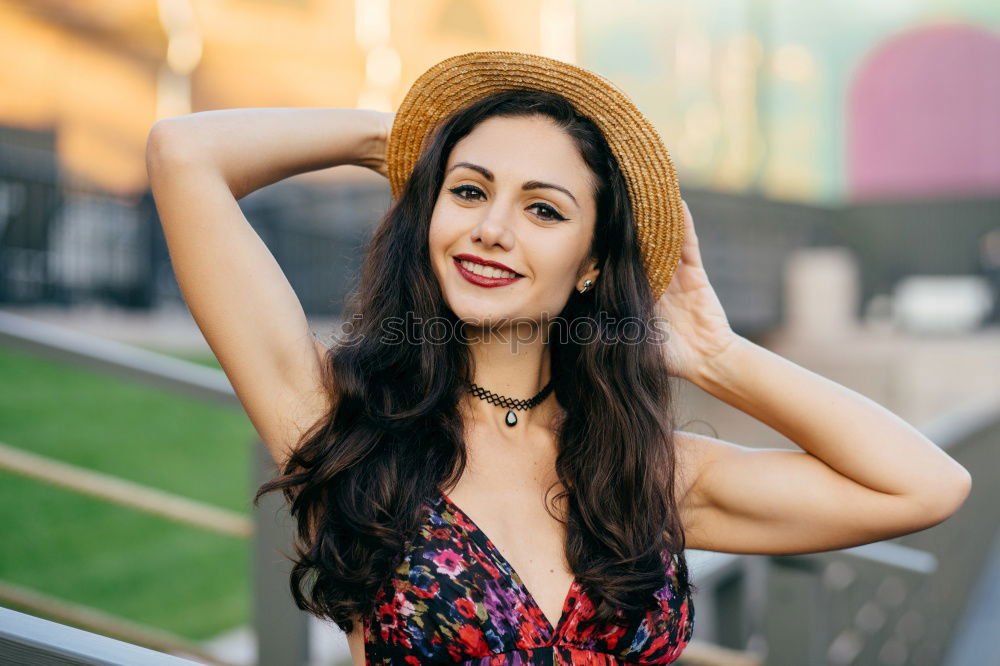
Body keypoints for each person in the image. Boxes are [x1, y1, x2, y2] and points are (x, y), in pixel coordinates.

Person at [145, 51, 972, 665]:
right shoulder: (345, 425)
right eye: (469, 191)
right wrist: (406, 140)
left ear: (588, 265)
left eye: (543, 209)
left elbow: (926, 484)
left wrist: (718, 355)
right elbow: (185, 155)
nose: (492, 227)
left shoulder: (646, 474)